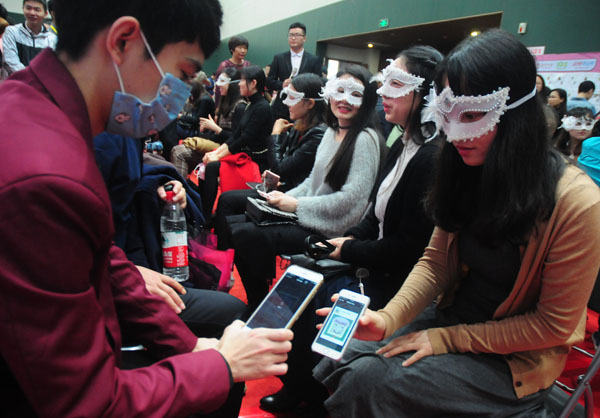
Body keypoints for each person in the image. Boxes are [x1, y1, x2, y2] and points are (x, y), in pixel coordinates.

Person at [0, 1, 294, 416]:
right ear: (123, 40)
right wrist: (219, 365)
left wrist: (190, 346)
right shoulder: (46, 175)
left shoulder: (36, 107)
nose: (177, 97)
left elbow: (102, 256)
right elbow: (88, 403)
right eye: (183, 74)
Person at [313, 29, 600, 418]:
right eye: (449, 113)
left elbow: (551, 326)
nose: (457, 132)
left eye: (473, 115)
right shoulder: (463, 166)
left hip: (512, 361)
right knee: (341, 352)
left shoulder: (578, 204)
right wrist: (386, 318)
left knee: (370, 381)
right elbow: (436, 263)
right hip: (450, 317)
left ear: (515, 113)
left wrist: (446, 339)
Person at [259, 46, 443, 415]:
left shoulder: (428, 155)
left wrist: (348, 248)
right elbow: (373, 215)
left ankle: (310, 392)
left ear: (422, 93)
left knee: (314, 286)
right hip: (371, 253)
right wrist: (348, 241)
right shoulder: (400, 143)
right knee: (301, 272)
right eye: (385, 82)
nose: (384, 92)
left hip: (396, 277)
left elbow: (408, 248)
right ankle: (296, 382)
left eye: (395, 84)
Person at [225, 64, 384, 311]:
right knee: (237, 223)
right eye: (339, 91)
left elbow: (352, 201)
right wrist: (282, 199)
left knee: (246, 236)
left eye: (354, 94)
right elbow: (313, 181)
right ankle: (260, 299)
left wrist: (296, 204)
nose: (344, 100)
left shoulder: (364, 139)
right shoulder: (333, 131)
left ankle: (258, 303)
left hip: (332, 229)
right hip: (313, 215)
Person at [214, 72, 328, 247]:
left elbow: (280, 167)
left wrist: (275, 135)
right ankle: (224, 256)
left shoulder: (317, 134)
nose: (286, 103)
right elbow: (280, 162)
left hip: (292, 195)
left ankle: (225, 257)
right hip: (282, 186)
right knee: (227, 201)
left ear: (310, 103)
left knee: (230, 208)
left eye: (292, 97)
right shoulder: (299, 126)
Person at [200, 64, 274, 216]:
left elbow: (245, 138)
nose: (239, 83)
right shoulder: (250, 104)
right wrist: (217, 153)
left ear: (253, 83)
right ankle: (204, 214)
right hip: (245, 154)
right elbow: (236, 135)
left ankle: (206, 217)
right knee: (208, 162)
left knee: (213, 166)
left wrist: (218, 156)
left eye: (242, 80)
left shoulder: (262, 107)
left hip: (256, 160)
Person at [170, 66, 247, 178]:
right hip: (218, 144)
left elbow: (236, 139)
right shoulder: (224, 103)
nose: (218, 85)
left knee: (178, 152)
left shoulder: (240, 106)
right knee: (178, 146)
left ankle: (182, 188)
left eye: (222, 81)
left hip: (226, 150)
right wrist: (208, 128)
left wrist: (215, 128)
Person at [267, 22, 322, 121]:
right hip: (282, 107)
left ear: (304, 38)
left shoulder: (313, 59)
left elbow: (318, 84)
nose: (293, 38)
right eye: (291, 35)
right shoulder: (279, 58)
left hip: (303, 109)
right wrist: (282, 84)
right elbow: (269, 81)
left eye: (297, 35)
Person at [2, 0, 57, 75]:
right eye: (28, 8)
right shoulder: (12, 32)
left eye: (37, 9)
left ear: (46, 14)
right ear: (23, 9)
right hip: (16, 83)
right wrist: (32, 78)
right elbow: (11, 62)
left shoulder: (52, 39)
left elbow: (52, 67)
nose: (32, 13)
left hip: (39, 85)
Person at [175, 71, 216, 139]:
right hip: (192, 127)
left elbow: (197, 120)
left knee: (169, 127)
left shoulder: (204, 100)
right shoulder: (200, 97)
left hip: (198, 132)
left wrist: (180, 116)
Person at [214, 35, 250, 106]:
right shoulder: (224, 65)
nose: (243, 51)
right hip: (227, 103)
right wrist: (218, 107)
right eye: (240, 48)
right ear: (232, 49)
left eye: (245, 48)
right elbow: (219, 89)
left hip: (243, 102)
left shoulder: (247, 64)